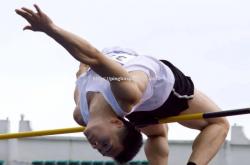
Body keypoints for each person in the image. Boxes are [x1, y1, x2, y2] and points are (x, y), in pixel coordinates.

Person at [15, 4, 230, 165]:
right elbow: (94, 57)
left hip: (130, 90)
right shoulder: (124, 92)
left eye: (100, 149)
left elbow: (83, 66)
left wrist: (83, 64)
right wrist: (50, 28)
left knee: (156, 133)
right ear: (118, 124)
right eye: (105, 144)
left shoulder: (81, 112)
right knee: (219, 123)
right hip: (165, 90)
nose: (95, 145)